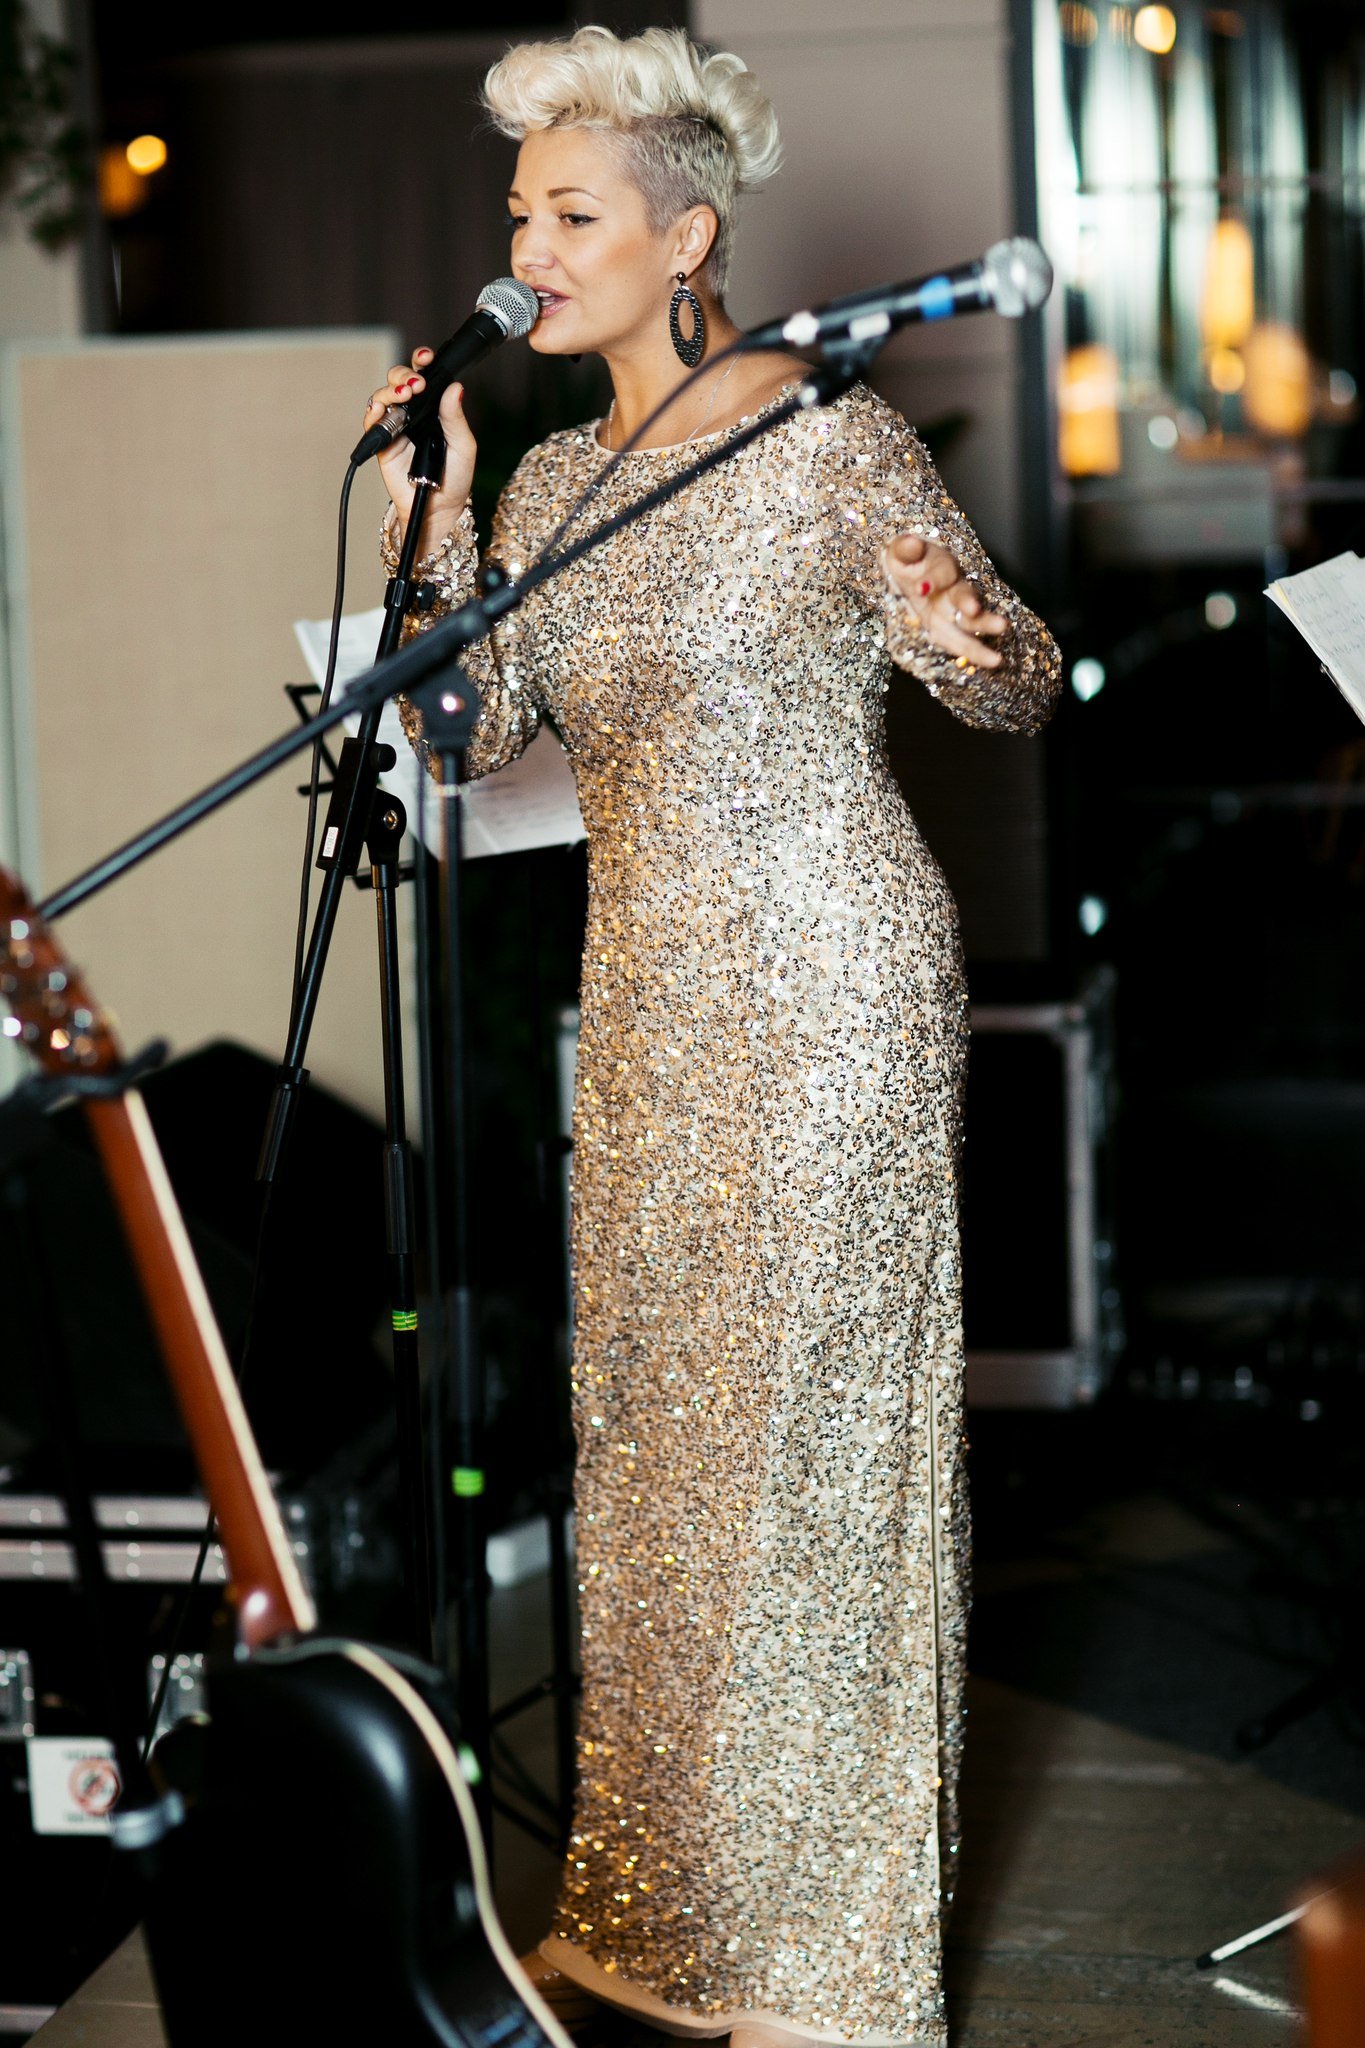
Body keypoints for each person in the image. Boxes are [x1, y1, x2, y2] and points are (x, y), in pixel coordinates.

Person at [366, 27, 1060, 2048]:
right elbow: (462, 737)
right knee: (659, 1461)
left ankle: (828, 1964)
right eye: (518, 213)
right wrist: (438, 507)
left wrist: (960, 627)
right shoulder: (552, 482)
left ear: (684, 239)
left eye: (569, 214)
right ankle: (668, 1923)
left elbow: (1014, 679)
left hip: (833, 984)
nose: (527, 249)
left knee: (812, 1462)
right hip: (651, 998)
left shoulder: (823, 433)